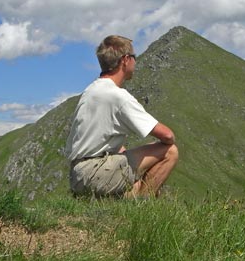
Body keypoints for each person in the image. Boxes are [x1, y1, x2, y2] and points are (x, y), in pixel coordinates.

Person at [64, 35, 179, 198]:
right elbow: (167, 135)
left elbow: (98, 140)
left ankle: (112, 201)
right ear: (125, 60)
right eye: (134, 57)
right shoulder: (118, 96)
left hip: (78, 175)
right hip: (96, 173)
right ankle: (143, 209)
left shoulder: (90, 92)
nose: (135, 62)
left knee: (138, 185)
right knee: (170, 151)